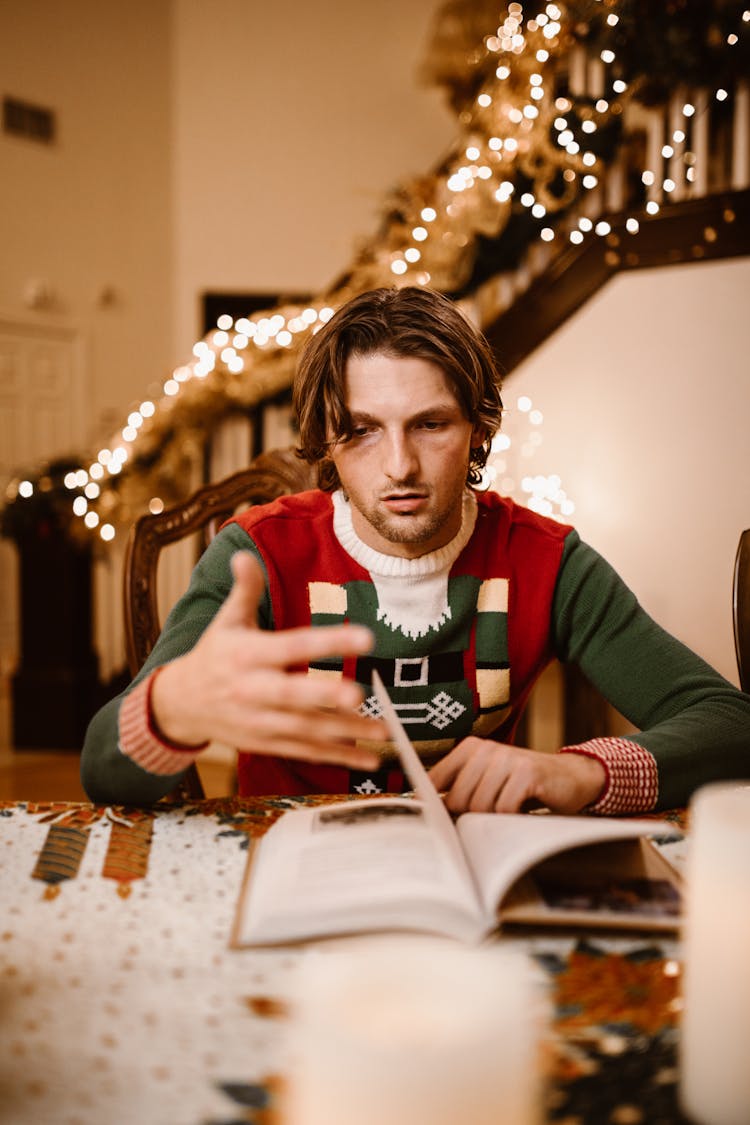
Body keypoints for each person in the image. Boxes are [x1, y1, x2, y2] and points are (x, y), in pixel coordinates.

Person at [81, 286, 750, 812]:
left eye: (430, 424)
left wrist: (579, 769)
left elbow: (731, 724)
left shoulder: (547, 560)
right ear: (326, 443)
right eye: (363, 431)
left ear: (478, 429)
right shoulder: (257, 556)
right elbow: (102, 772)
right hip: (290, 871)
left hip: (473, 875)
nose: (399, 465)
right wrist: (170, 709)